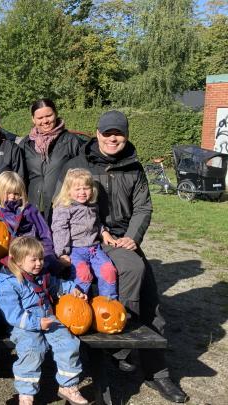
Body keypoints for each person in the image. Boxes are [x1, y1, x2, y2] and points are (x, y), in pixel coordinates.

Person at [57, 110, 187, 402]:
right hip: (87, 240)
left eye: (118, 133)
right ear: (98, 133)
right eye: (107, 133)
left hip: (123, 240)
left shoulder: (134, 168)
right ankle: (109, 351)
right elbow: (63, 204)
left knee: (151, 304)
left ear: (126, 135)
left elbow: (143, 208)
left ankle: (157, 374)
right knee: (115, 280)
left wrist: (132, 237)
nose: (112, 138)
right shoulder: (79, 165)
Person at [0, 236, 88, 405]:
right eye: (34, 260)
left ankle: (68, 386)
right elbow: (12, 314)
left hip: (48, 317)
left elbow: (57, 285)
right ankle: (26, 394)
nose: (39, 263)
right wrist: (36, 323)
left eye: (41, 259)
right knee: (32, 349)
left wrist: (72, 289)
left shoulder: (41, 274)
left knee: (69, 344)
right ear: (18, 261)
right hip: (23, 325)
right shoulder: (8, 283)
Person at [0, 171, 58, 271]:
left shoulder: (29, 210)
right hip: (2, 260)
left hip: (29, 257)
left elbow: (45, 235)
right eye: (8, 193)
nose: (12, 197)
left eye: (16, 193)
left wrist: (48, 254)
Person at [51, 168, 118, 298]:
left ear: (92, 189)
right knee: (83, 274)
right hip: (75, 250)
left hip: (94, 249)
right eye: (77, 189)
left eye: (86, 188)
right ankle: (79, 305)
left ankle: (108, 304)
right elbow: (60, 230)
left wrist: (104, 233)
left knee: (108, 271)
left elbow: (96, 224)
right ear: (68, 191)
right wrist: (62, 253)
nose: (82, 192)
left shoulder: (92, 206)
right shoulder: (64, 208)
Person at [20, 98, 85, 216]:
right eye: (40, 118)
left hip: (62, 207)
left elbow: (84, 175)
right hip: (33, 209)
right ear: (33, 119)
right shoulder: (26, 144)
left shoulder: (71, 141)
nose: (45, 121)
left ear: (56, 114)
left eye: (48, 115)